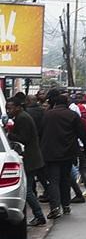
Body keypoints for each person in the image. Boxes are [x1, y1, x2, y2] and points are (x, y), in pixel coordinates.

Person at [39, 92, 86, 220]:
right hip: (68, 153)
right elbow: (82, 134)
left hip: (50, 153)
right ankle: (66, 205)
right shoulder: (72, 115)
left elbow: (40, 133)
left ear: (55, 103)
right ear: (66, 103)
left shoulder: (47, 115)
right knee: (65, 180)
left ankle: (55, 207)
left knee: (54, 181)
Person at [6, 93, 46, 226]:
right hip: (32, 158)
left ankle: (39, 215)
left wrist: (10, 134)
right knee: (30, 188)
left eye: (10, 108)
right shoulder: (21, 117)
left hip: (30, 158)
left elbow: (24, 138)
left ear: (18, 107)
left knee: (27, 190)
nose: (8, 111)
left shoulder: (22, 118)